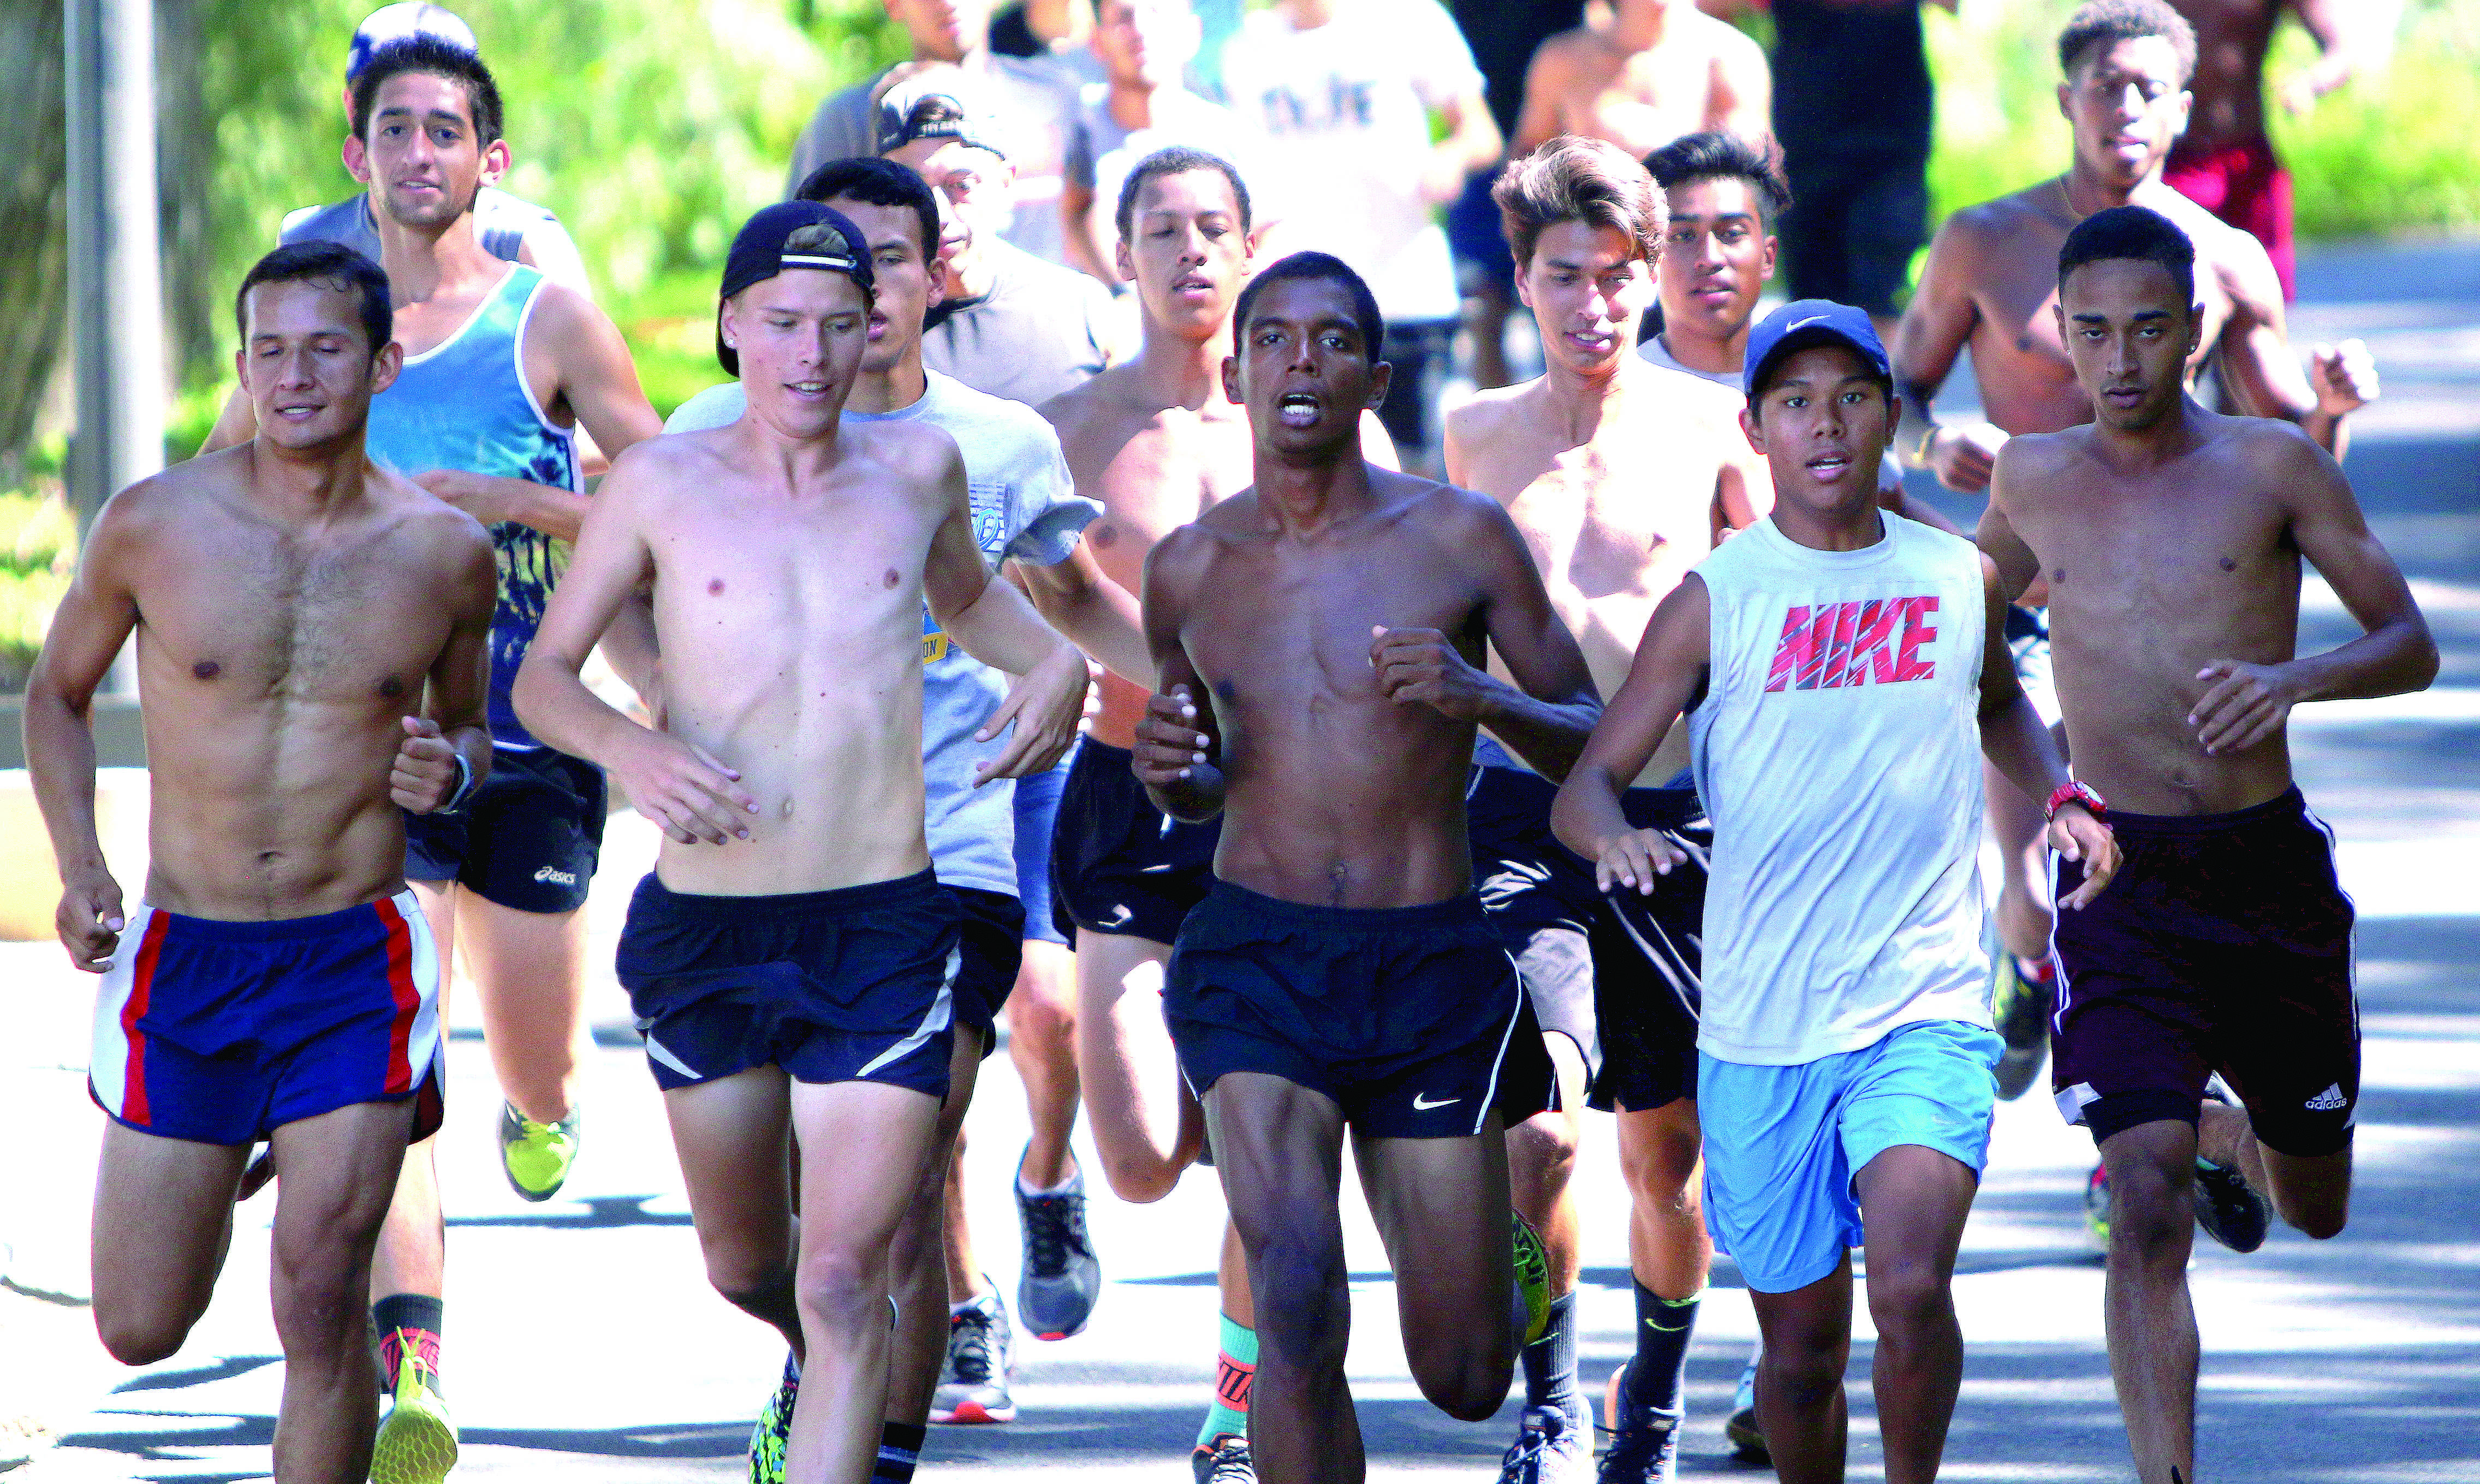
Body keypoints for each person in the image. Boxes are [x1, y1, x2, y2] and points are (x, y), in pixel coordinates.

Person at [513, 200, 1084, 1484]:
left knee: (842, 1274)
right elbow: (549, 677)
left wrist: (1056, 670)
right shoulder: (663, 480)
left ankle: (849, 1387)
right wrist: (633, 748)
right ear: (731, 327)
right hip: (707, 928)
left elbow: (984, 612)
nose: (813, 357)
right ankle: (823, 1358)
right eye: (782, 326)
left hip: (883, 921)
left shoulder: (923, 469)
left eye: (842, 325)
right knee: (753, 1265)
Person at [198, 37, 667, 1481]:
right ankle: (415, 1366)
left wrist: (499, 495)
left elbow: (662, 495)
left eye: (445, 130)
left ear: (490, 161)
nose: (417, 153)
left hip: (523, 734)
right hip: (356, 760)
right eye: (392, 129)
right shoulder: (314, 326)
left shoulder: (548, 321)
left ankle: (547, 1097)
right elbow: (216, 486)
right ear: (355, 157)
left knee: (517, 1060)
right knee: (392, 1063)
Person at [1553, 300, 2119, 1484]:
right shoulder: (1717, 597)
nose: (1827, 425)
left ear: (1890, 418)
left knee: (1911, 1290)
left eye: (1853, 398)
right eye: (1796, 403)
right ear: (1755, 430)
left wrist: (2063, 795)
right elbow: (1588, 783)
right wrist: (1610, 840)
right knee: (1801, 1352)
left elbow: (2000, 697)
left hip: (1922, 1003)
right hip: (1761, 1026)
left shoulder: (1953, 574)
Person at [663, 155, 1144, 1439]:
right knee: (777, 1233)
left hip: (953, 855)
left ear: (936, 278)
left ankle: (874, 1449)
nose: (867, 286)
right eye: (839, 258)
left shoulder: (999, 444)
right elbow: (626, 603)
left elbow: (1073, 599)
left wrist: (1201, 687)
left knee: (919, 1164)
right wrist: (667, 734)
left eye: (892, 258)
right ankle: (826, 1363)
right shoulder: (704, 440)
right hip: (753, 873)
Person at [23, 242, 497, 1484]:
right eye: (269, 350)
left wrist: (452, 765)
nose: (294, 376)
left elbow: (467, 724)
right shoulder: (156, 524)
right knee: (139, 1320)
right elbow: (57, 696)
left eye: (326, 347)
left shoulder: (444, 551)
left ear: (384, 362)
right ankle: (247, 1125)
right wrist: (78, 868)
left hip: (355, 954)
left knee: (320, 1290)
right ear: (241, 364)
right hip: (189, 954)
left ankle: (311, 1135)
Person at [1979, 204, 2434, 1484]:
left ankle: (2246, 1133)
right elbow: (1968, 653)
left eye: (2148, 330)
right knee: (2143, 1193)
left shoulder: (2275, 466)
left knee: (2316, 1204)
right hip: (2120, 876)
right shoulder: (2033, 476)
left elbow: (2410, 641)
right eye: (2093, 333)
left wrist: (2298, 682)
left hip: (2264, 869)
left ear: (2196, 332)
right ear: (2060, 337)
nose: (2120, 360)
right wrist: (2056, 788)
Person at [1133, 249, 1599, 1484]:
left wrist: (1478, 693)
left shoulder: (1460, 536)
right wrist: (1166, 767)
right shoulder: (1187, 567)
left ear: (1376, 375)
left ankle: (1511, 1253)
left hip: (1429, 965)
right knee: (1294, 1293)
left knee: (1466, 1376)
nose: (1302, 360)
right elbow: (1195, 780)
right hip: (1257, 961)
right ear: (1234, 371)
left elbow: (1598, 728)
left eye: (1332, 340)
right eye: (1274, 338)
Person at [1892, 0, 2376, 1118]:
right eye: (2106, 85)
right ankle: (2028, 969)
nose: (2127, 108)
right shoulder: (1985, 240)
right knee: (2025, 887)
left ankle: (2134, 1148)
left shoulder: (2221, 259)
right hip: (2027, 593)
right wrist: (1933, 441)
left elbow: (2291, 449)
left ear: (2185, 104)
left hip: (2159, 613)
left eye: (2151, 88)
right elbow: (1898, 384)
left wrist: (2336, 409)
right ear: (2066, 99)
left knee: (2138, 876)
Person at [1038, 148, 1395, 1484]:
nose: (1189, 252)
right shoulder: (1072, 427)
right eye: (1161, 231)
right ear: (1116, 251)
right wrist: (1179, 686)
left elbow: (1402, 561)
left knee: (1268, 1128)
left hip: (1289, 812)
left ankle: (1238, 1403)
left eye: (1212, 230)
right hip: (1132, 798)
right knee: (1137, 1153)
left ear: (1251, 247)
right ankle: (1076, 1165)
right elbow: (1038, 600)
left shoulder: (1327, 406)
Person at [1441, 136, 1760, 1484]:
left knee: (1670, 1163)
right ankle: (1553, 1403)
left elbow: (1787, 615)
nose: (1593, 305)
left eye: (1619, 276)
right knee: (1536, 1130)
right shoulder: (1472, 434)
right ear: (1520, 278)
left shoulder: (1709, 428)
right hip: (1517, 820)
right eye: (1564, 276)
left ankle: (1662, 1392)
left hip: (1675, 822)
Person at [1215, 0, 1502, 467]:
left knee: (1415, 476)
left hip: (1405, 296)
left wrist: (1448, 159)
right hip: (1301, 308)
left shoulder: (1409, 19)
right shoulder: (1245, 50)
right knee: (1314, 469)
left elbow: (1481, 133)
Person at [281, 4, 591, 295]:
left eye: (444, 131)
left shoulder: (527, 242)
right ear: (353, 108)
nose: (419, 153)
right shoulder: (311, 243)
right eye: (394, 117)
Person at [878, 75, 1121, 407]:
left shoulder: (1081, 309)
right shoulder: (866, 329)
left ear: (1005, 184)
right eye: (913, 192)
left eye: (961, 186)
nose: (939, 214)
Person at [790, 0, 1084, 265]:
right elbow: (805, 245)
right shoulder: (850, 117)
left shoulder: (1054, 97)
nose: (948, 3)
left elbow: (1090, 216)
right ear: (894, 5)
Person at [1746, 0, 1950, 335]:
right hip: (1806, 136)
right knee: (1812, 296)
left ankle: (1883, 383)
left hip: (1891, 138)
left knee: (1880, 282)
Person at [1057, 0, 1275, 287]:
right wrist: (1117, 296)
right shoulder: (1077, 133)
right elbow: (1074, 220)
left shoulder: (1235, 140)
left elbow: (1271, 233)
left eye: (1156, 12)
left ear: (1191, 33)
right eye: (1124, 17)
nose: (1140, 29)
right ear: (1096, 42)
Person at [2163, 0, 2362, 301]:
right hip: (2176, 163)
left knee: (2265, 300)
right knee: (2172, 298)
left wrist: (2310, 83)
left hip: (2249, 166)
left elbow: (2341, 51)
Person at [1442, 0, 1584, 390]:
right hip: (1483, 146)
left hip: (1557, 147)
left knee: (1565, 290)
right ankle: (1499, 426)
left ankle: (1564, 406)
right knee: (1483, 303)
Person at [1509, 0, 1770, 161]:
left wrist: (1662, 152)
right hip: (1591, 242)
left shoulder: (1733, 58)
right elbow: (1524, 165)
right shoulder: (1561, 60)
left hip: (1684, 241)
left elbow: (1748, 178)